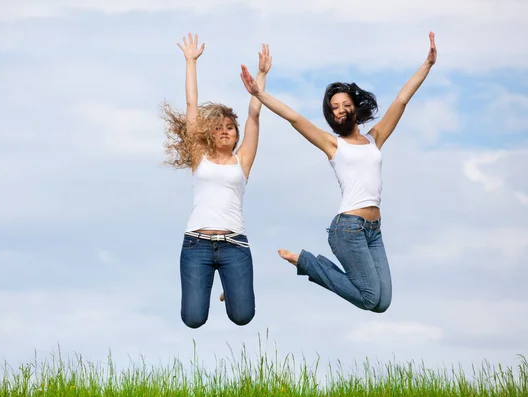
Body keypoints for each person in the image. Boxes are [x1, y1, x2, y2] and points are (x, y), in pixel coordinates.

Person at [239, 32, 437, 313]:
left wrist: (427, 64)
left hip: (374, 230)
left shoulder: (374, 138)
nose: (341, 110)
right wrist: (259, 93)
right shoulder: (333, 144)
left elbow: (402, 100)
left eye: (346, 105)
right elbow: (294, 117)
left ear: (355, 108)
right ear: (331, 116)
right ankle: (306, 262)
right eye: (335, 108)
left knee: (382, 303)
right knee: (370, 298)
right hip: (348, 229)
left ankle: (311, 266)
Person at [161, 33, 272, 328]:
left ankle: (232, 291)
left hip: (235, 245)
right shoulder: (200, 157)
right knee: (193, 319)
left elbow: (253, 115)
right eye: (219, 128)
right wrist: (190, 62)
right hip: (196, 244)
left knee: (242, 316)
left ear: (236, 136)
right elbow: (191, 105)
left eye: (230, 129)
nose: (225, 132)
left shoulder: (242, 160)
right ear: (210, 133)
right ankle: (214, 284)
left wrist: (260, 75)